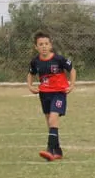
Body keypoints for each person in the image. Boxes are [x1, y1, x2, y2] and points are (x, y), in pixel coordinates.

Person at [26, 31, 75, 161]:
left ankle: (49, 150)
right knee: (50, 122)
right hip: (44, 94)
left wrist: (72, 85)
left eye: (46, 44)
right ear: (36, 47)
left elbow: (72, 70)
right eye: (40, 44)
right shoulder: (35, 62)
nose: (44, 46)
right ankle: (57, 150)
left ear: (51, 45)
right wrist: (30, 86)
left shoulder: (59, 59)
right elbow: (30, 74)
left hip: (59, 93)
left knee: (53, 119)